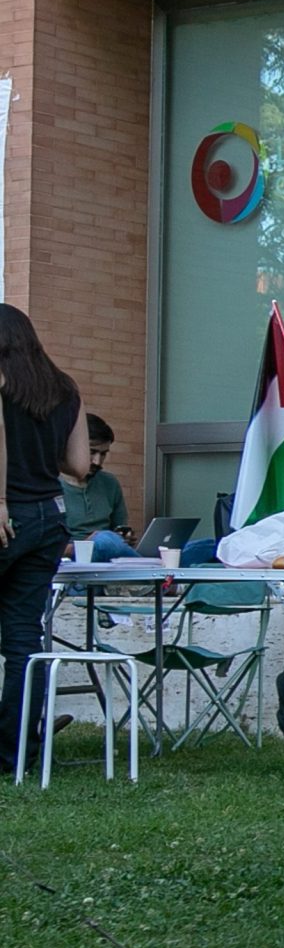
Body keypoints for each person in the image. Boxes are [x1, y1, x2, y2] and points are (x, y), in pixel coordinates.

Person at [0, 305, 90, 775]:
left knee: (19, 641)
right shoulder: (65, 389)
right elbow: (78, 467)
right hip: (49, 521)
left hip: (7, 516)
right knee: (22, 642)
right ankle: (16, 752)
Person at [61, 414, 132, 559]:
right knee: (104, 539)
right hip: (68, 564)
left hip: (108, 562)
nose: (97, 462)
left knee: (191, 548)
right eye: (92, 452)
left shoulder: (109, 483)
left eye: (103, 454)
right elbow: (37, 546)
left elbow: (118, 530)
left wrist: (124, 537)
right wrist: (86, 546)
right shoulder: (47, 485)